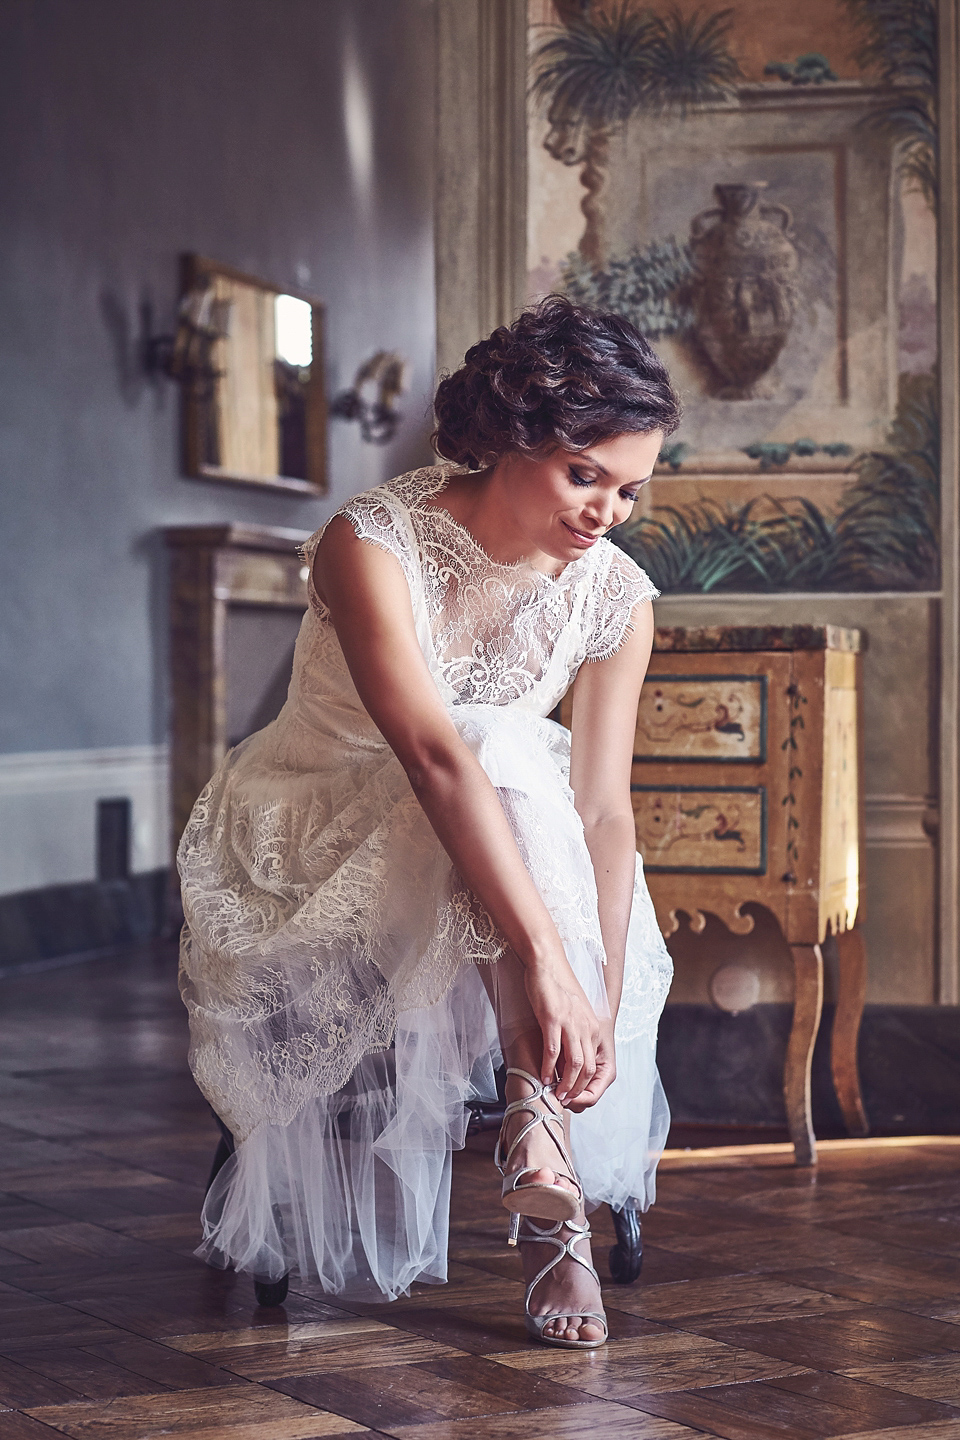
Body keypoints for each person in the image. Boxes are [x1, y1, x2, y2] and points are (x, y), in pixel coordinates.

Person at [178, 295, 678, 1349]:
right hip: (310, 826)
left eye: (631, 489)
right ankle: (546, 1190)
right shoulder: (372, 542)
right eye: (584, 474)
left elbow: (601, 809)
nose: (606, 512)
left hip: (500, 823)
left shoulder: (616, 597)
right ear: (512, 437)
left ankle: (537, 1131)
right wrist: (543, 960)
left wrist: (594, 989)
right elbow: (431, 755)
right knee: (492, 749)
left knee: (520, 768)